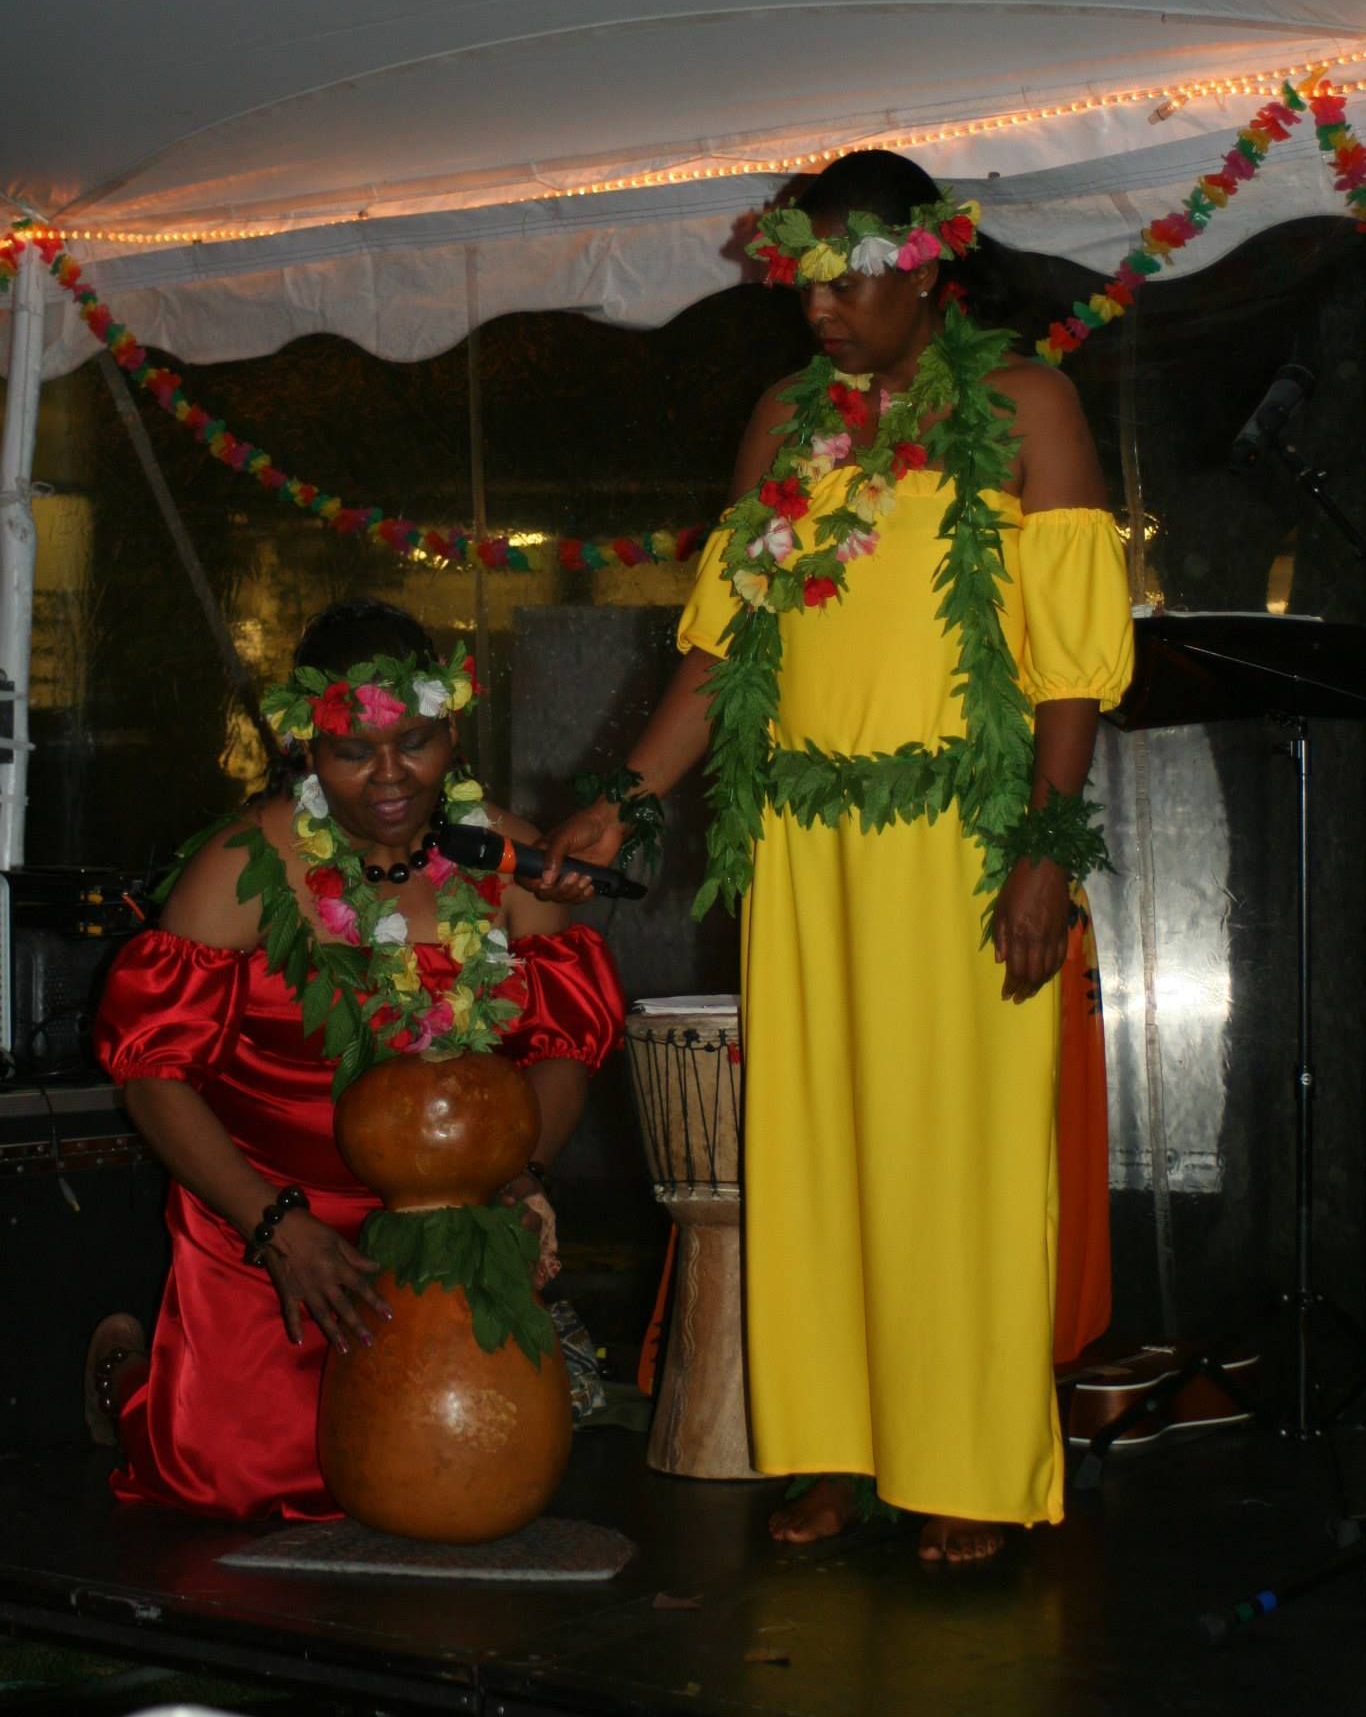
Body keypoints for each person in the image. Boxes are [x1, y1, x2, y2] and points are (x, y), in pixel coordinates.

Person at [540, 152, 1133, 1564]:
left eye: (845, 278)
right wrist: (622, 798)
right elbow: (724, 643)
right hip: (805, 839)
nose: (817, 308)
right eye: (800, 279)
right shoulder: (781, 426)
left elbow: (1070, 667)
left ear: (925, 267)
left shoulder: (1025, 405)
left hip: (963, 835)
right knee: (812, 1152)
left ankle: (969, 1467)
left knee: (956, 1156)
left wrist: (1040, 854)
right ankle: (834, 1444)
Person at [85, 598, 623, 1524]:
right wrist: (278, 1229)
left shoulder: (499, 853)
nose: (389, 775)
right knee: (241, 1482)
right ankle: (122, 1377)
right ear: (305, 748)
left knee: (463, 1466)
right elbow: (153, 1077)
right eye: (351, 750)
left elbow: (562, 1045)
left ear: (450, 728)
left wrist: (521, 1180)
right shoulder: (244, 865)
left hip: (443, 1214)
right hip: (263, 1219)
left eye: (414, 741)